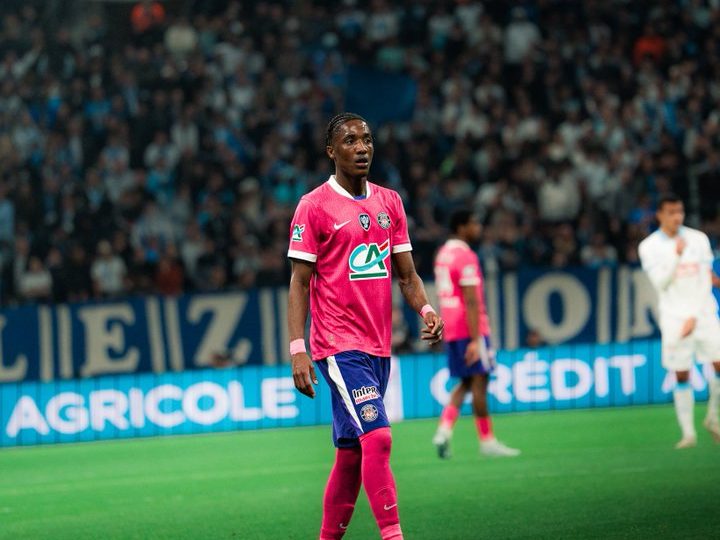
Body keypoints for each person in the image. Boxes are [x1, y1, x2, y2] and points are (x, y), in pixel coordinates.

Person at [287, 112, 444, 540]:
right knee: (378, 438)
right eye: (350, 141)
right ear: (331, 151)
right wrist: (298, 347)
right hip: (338, 345)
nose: (362, 148)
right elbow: (299, 281)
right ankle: (393, 536)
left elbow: (407, 275)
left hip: (378, 345)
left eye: (367, 139)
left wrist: (427, 310)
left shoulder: (390, 203)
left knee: (351, 454)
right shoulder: (314, 206)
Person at [432, 209, 520, 458]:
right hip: (469, 328)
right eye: (473, 224)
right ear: (461, 227)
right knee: (480, 382)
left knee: (466, 382)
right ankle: (487, 441)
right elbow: (471, 300)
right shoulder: (466, 256)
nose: (478, 228)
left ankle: (444, 431)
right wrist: (474, 339)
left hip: (452, 327)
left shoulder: (443, 254)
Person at [638, 193, 720, 449]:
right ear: (660, 215)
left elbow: (706, 278)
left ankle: (713, 416)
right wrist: (676, 256)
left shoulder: (698, 239)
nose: (677, 217)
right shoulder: (649, 247)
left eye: (680, 211)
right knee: (681, 372)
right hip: (674, 316)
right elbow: (660, 283)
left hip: (703, 312)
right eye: (671, 212)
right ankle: (688, 434)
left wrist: (693, 316)